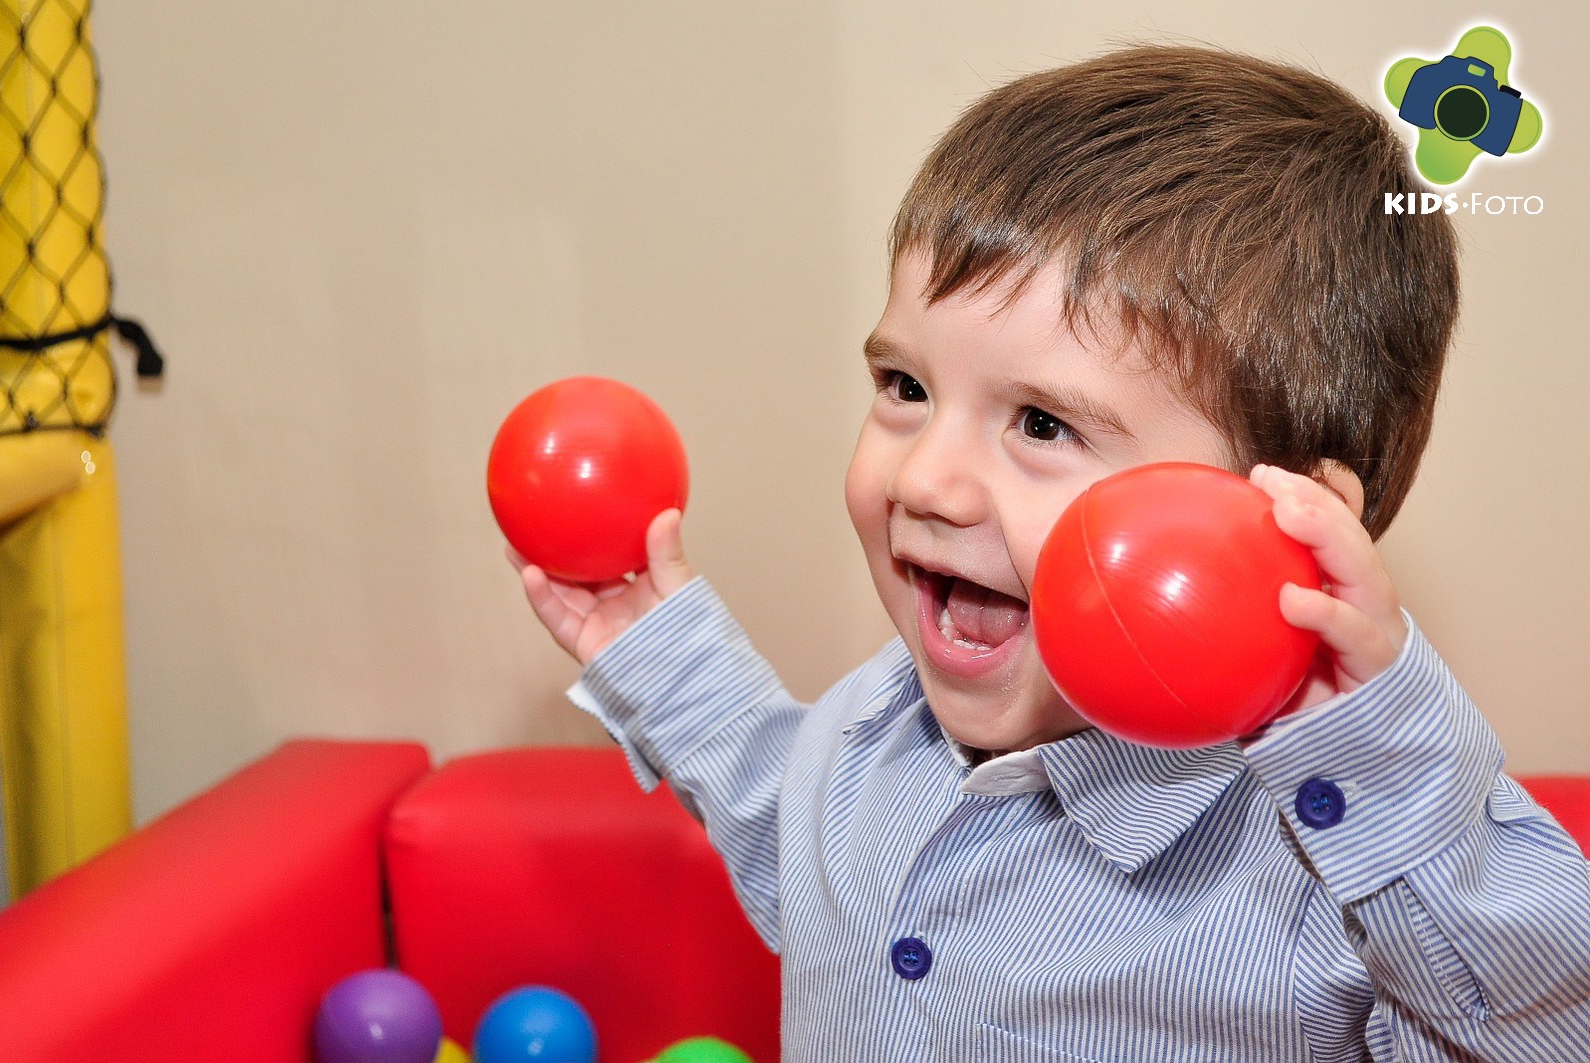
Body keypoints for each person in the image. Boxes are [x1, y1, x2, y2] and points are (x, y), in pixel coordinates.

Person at [516, 45, 1590, 1060]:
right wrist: (657, 649)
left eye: (1040, 423)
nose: (923, 479)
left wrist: (1378, 760)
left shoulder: (1339, 877)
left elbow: (1539, 1019)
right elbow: (808, 861)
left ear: (1282, 527)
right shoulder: (875, 726)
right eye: (905, 389)